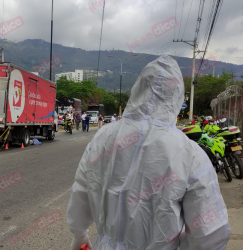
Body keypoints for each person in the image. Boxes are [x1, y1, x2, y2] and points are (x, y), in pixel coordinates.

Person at [66, 55, 231, 250]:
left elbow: (81, 192)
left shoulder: (102, 138)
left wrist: (79, 234)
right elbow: (210, 234)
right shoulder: (189, 153)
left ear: (138, 88)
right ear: (176, 97)